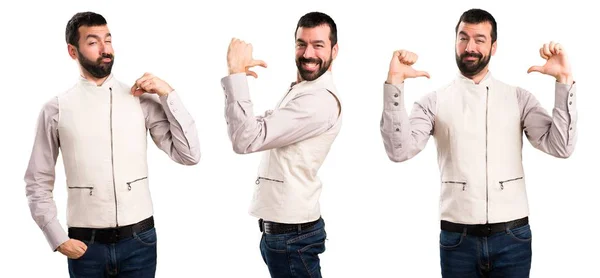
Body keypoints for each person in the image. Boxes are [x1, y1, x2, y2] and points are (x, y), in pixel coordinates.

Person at [380, 8, 577, 277]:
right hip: (457, 239)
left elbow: (561, 146)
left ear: (493, 47)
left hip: (513, 238)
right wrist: (395, 84)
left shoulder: (519, 98)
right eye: (463, 38)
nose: (469, 47)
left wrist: (564, 81)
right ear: (455, 42)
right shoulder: (433, 101)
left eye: (479, 39)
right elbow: (399, 150)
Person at [24, 11, 201, 277]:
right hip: (85, 246)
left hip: (139, 241)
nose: (105, 49)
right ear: (73, 51)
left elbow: (189, 155)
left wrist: (168, 94)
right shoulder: (56, 109)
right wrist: (57, 237)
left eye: (108, 39)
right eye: (93, 42)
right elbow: (37, 180)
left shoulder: (140, 99)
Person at [221, 11, 342, 278]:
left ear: (335, 50)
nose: (308, 53)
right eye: (302, 44)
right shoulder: (302, 92)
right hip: (284, 234)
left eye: (318, 45)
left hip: (292, 237)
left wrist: (236, 75)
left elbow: (246, 139)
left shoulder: (317, 101)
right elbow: (253, 130)